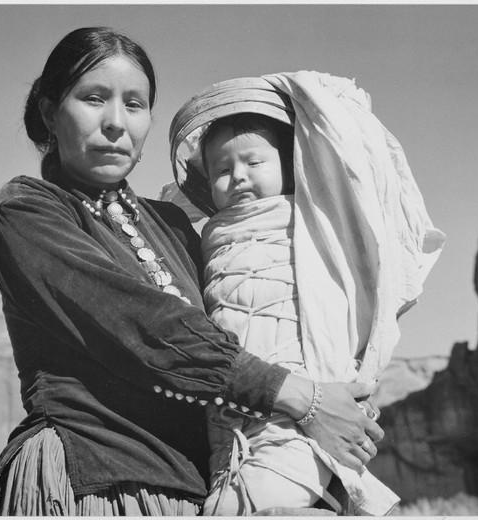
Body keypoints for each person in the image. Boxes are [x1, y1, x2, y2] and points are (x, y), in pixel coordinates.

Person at [0, 28, 383, 516]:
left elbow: (246, 324)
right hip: (95, 480)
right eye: (93, 98)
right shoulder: (27, 211)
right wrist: (303, 398)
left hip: (202, 488)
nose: (116, 123)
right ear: (50, 112)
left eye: (135, 104)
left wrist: (337, 394)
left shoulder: (174, 224)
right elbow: (144, 324)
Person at [168, 73, 445, 515]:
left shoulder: (311, 221)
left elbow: (345, 137)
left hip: (301, 399)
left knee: (263, 494)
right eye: (222, 169)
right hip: (238, 404)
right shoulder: (205, 237)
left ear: (288, 163)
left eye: (253, 162)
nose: (237, 176)